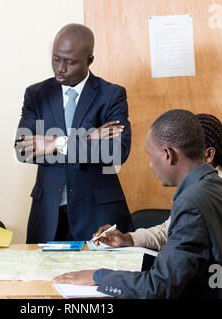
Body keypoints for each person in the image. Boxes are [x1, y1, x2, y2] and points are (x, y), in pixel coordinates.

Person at [54, 109, 222, 298]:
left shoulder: (193, 201)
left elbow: (159, 287)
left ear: (167, 155)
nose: (151, 165)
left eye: (150, 156)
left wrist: (99, 276)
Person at [15, 23, 134, 243]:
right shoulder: (36, 94)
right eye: (56, 59)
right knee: (43, 277)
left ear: (89, 60)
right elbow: (23, 149)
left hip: (98, 214)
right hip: (48, 215)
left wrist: (54, 143)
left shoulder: (111, 95)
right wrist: (88, 139)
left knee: (103, 277)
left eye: (70, 62)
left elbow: (116, 151)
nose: (60, 68)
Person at [92, 113, 222, 250]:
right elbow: (169, 231)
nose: (155, 163)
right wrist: (128, 238)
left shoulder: (214, 193)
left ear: (208, 154)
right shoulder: (203, 187)